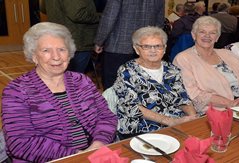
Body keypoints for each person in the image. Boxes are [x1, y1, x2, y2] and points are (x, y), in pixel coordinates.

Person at [1, 22, 117, 162]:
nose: (56, 57)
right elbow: (20, 143)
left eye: (62, 49)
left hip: (97, 152)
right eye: (46, 50)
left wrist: (98, 145)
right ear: (34, 56)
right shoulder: (16, 91)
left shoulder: (82, 81)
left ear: (69, 54)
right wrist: (78, 155)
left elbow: (106, 117)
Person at [113, 26, 198, 140]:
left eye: (158, 46)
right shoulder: (127, 71)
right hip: (142, 128)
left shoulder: (172, 69)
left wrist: (193, 118)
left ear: (164, 48)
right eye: (146, 46)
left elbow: (183, 98)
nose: (153, 50)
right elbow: (132, 107)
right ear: (137, 49)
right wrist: (171, 121)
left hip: (175, 123)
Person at [173, 16, 239, 114]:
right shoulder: (183, 58)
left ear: (217, 37)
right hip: (216, 112)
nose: (207, 36)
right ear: (194, 35)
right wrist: (231, 103)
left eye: (212, 33)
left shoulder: (226, 53)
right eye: (202, 32)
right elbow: (193, 93)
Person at [94, 0, 165, 90]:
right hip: (144, 48)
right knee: (139, 86)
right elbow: (159, 23)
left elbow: (109, 18)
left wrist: (99, 41)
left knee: (113, 87)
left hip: (118, 46)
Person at [41, 0, 100, 73]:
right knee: (74, 77)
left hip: (59, 35)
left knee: (61, 75)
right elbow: (78, 14)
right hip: (78, 39)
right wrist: (102, 16)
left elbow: (43, 8)